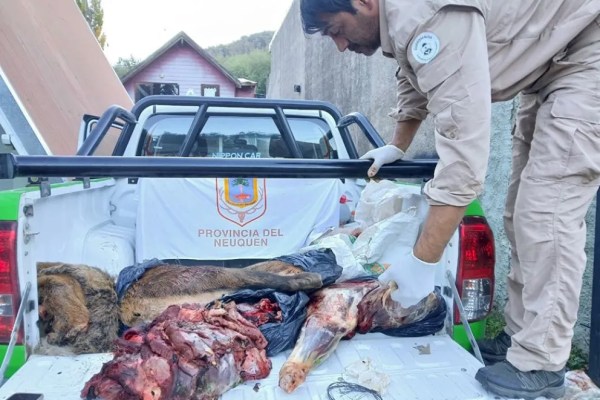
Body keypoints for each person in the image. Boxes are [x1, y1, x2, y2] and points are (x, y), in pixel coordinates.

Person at [299, 0, 600, 399]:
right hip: (546, 66)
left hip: (584, 48)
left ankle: (541, 361)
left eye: (336, 30)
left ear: (364, 2)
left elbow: (462, 164)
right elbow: (415, 74)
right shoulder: (401, 21)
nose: (339, 46)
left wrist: (422, 261)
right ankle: (520, 337)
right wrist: (398, 145)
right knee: (519, 215)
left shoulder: (430, 15)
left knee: (545, 214)